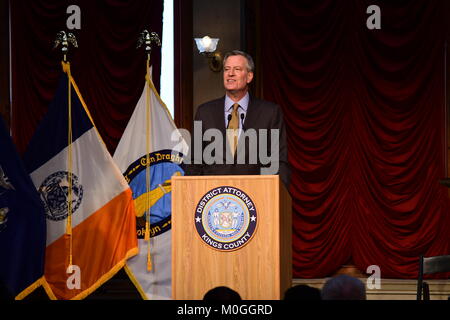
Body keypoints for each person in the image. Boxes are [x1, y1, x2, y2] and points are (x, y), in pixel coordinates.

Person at [185, 50, 291, 188]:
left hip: (255, 197)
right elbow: (194, 161)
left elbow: (278, 161)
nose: (230, 74)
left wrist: (274, 195)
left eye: (237, 69)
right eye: (227, 69)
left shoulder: (269, 113)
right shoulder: (205, 112)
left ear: (249, 76)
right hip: (213, 198)